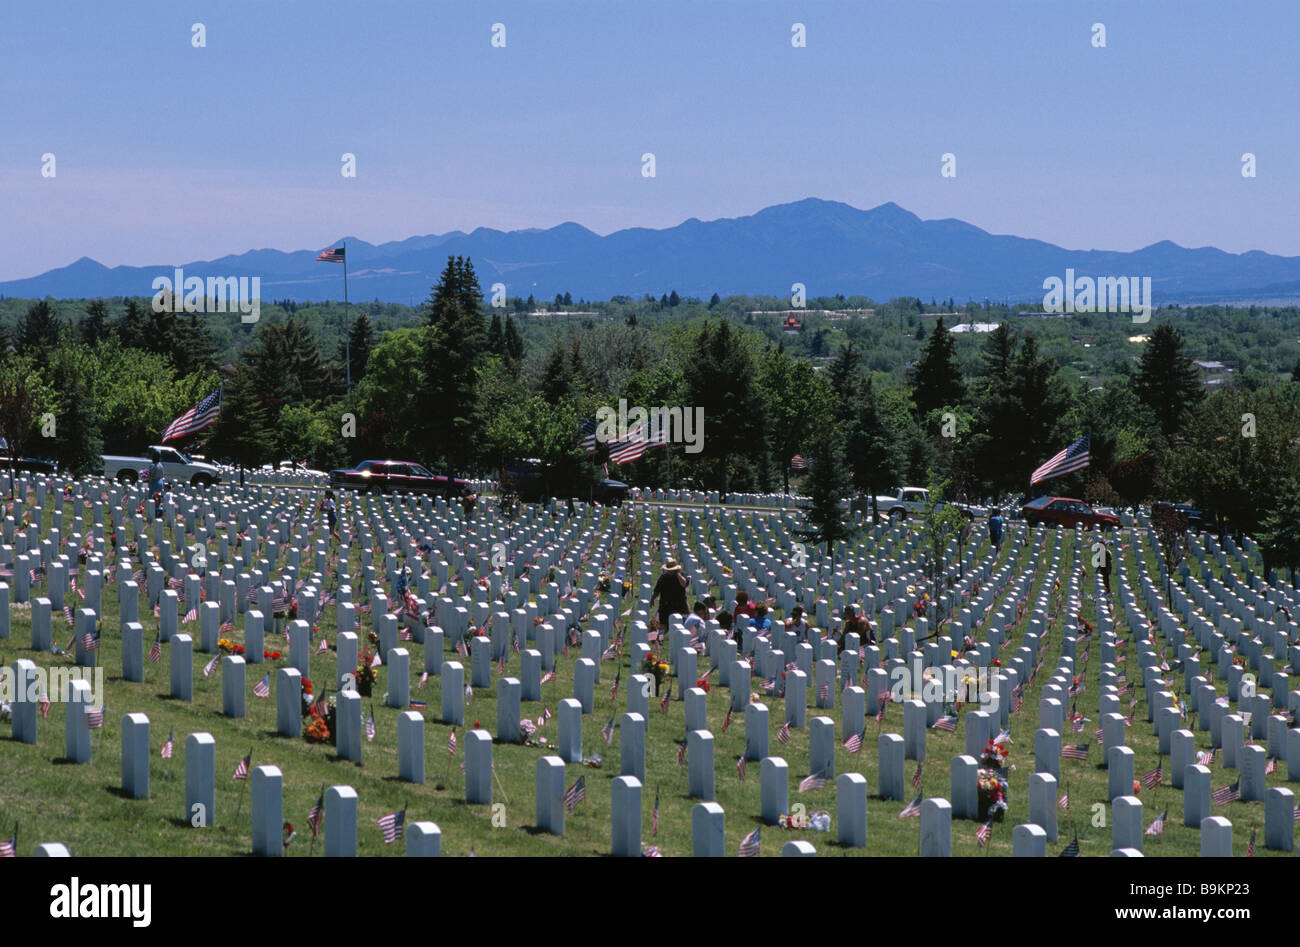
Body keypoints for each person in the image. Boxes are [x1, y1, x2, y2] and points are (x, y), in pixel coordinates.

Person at [651, 559, 689, 631]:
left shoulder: (682, 576)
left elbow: (684, 584)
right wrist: (652, 599)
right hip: (665, 606)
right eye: (668, 569)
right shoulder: (663, 577)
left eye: (671, 569)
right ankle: (660, 640)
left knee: (681, 627)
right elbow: (657, 590)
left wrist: (678, 574)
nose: (669, 571)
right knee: (663, 626)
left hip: (680, 606)